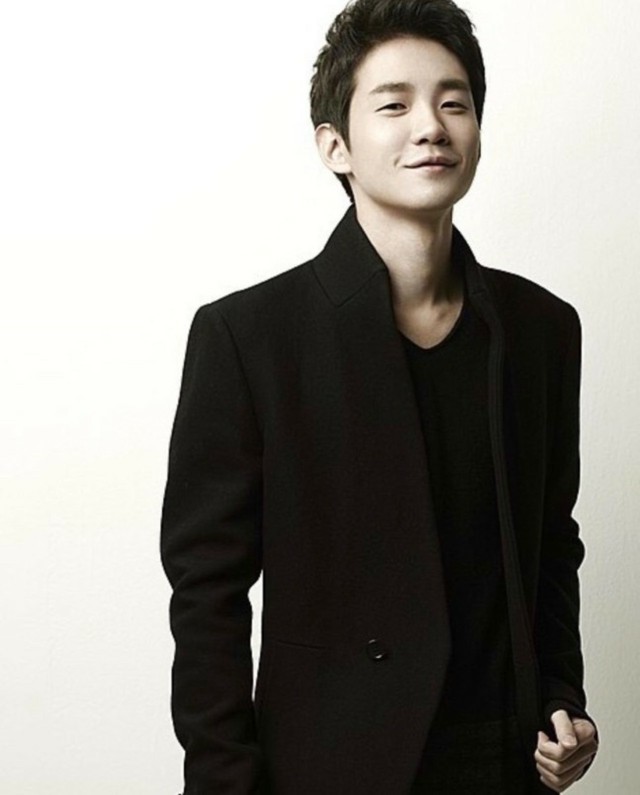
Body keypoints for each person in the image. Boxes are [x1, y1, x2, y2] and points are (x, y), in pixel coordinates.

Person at [160, 1, 600, 792]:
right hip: (329, 764)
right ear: (336, 146)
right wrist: (226, 780)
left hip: (499, 764)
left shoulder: (541, 329)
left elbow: (549, 546)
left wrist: (561, 700)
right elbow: (206, 595)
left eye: (454, 102)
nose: (430, 126)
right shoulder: (249, 337)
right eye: (394, 105)